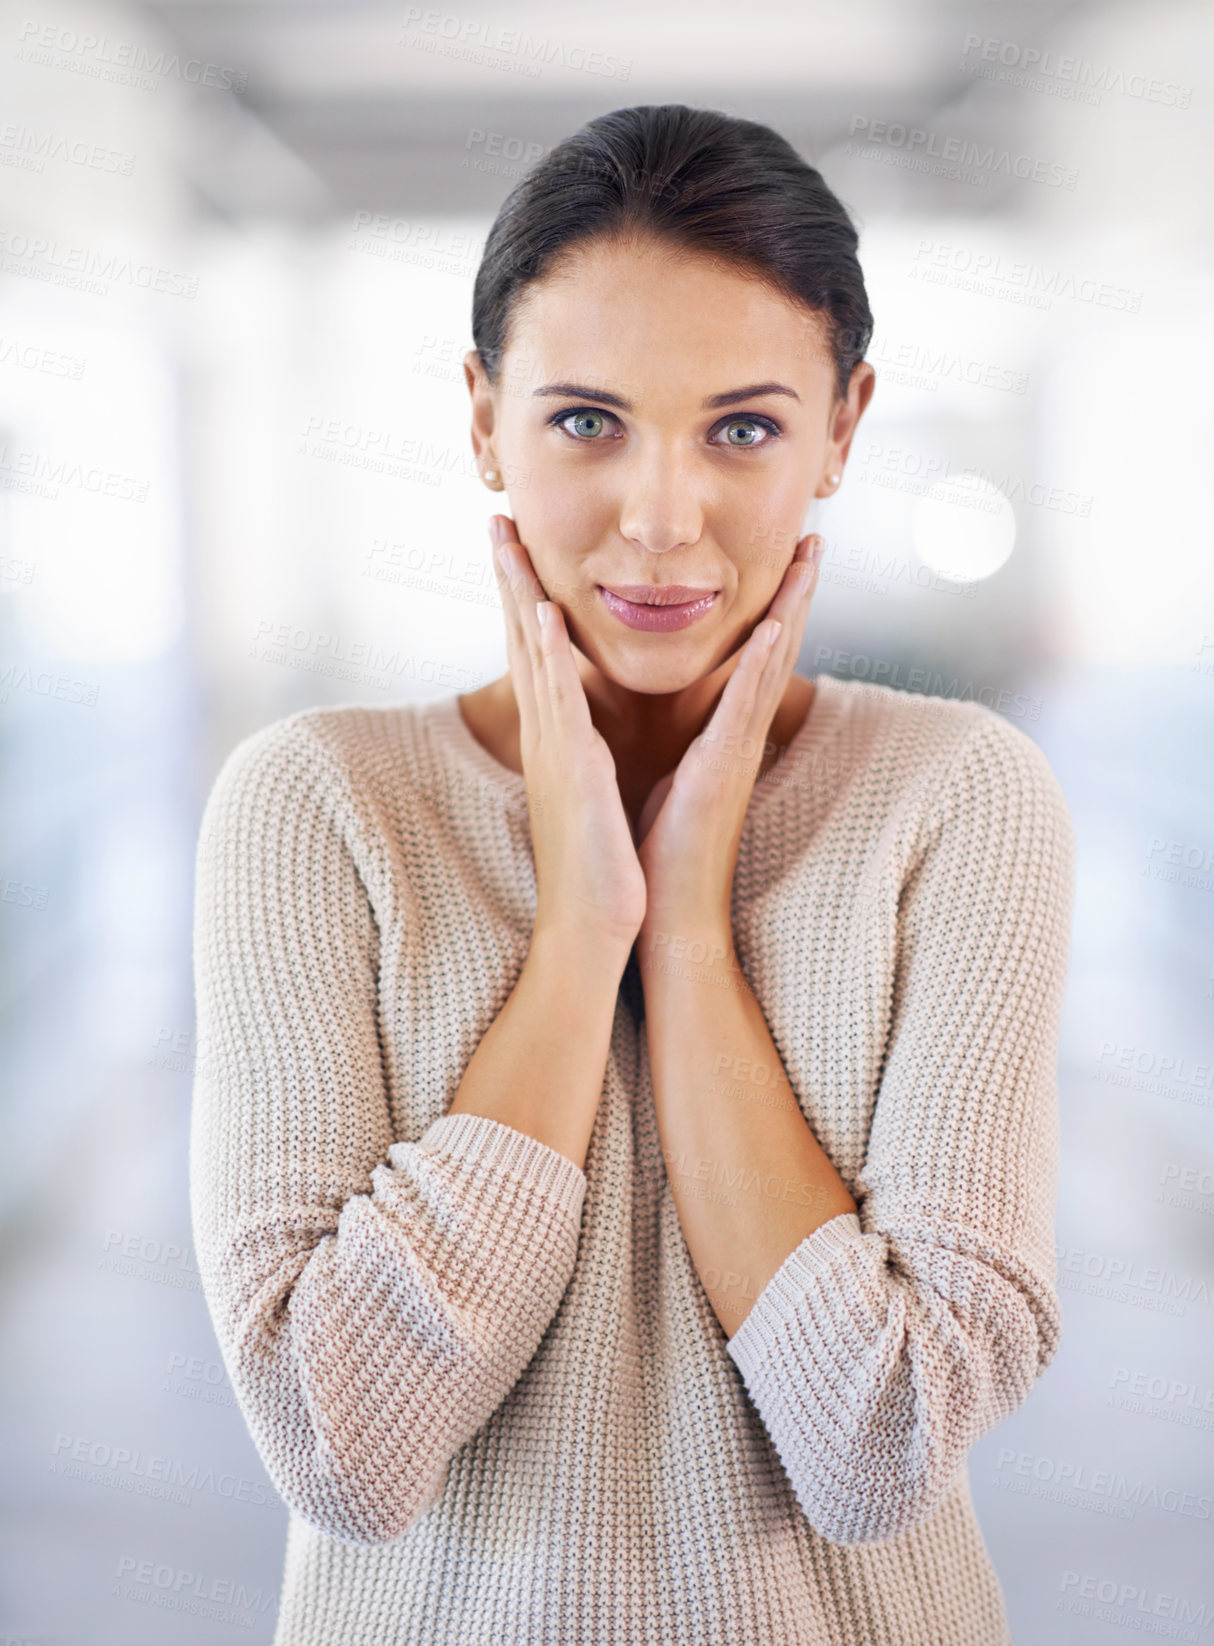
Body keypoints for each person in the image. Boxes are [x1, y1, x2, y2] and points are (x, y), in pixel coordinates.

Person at [189, 103, 1075, 1645]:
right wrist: (581, 926)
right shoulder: (318, 808)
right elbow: (339, 1442)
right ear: (482, 418)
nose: (660, 520)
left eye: (741, 427)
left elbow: (878, 1443)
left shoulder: (951, 802)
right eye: (585, 421)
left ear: (842, 429)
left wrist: (690, 939)